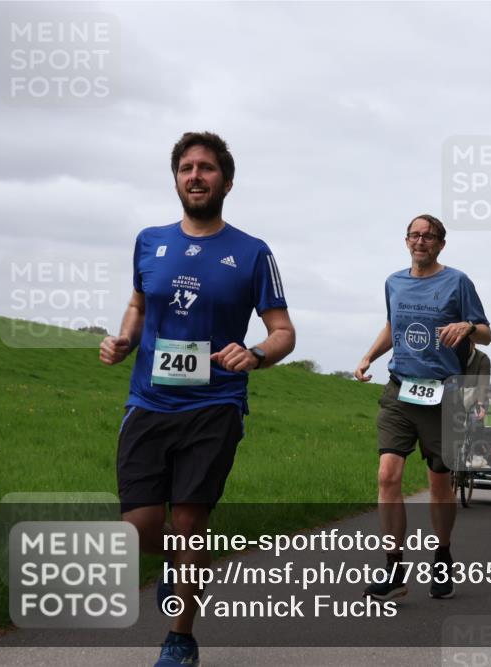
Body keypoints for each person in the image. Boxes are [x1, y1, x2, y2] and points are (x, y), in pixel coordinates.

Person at [99, 132, 295, 667]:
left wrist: (254, 355)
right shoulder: (148, 241)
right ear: (176, 178)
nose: (195, 175)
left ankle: (180, 638)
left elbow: (283, 332)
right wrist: (123, 340)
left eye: (206, 168)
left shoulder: (253, 252)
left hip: (215, 405)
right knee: (138, 530)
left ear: (226, 182)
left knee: (189, 521)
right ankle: (181, 566)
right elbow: (138, 306)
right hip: (148, 402)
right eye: (186, 167)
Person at [354, 214, 491, 601]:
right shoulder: (393, 282)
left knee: (439, 484)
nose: (420, 241)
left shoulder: (458, 282)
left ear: (441, 244)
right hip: (400, 391)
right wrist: (368, 357)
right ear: (406, 241)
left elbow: (487, 333)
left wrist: (467, 327)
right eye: (414, 235)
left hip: (442, 396)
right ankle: (395, 568)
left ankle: (443, 555)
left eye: (429, 236)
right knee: (387, 475)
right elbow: (391, 327)